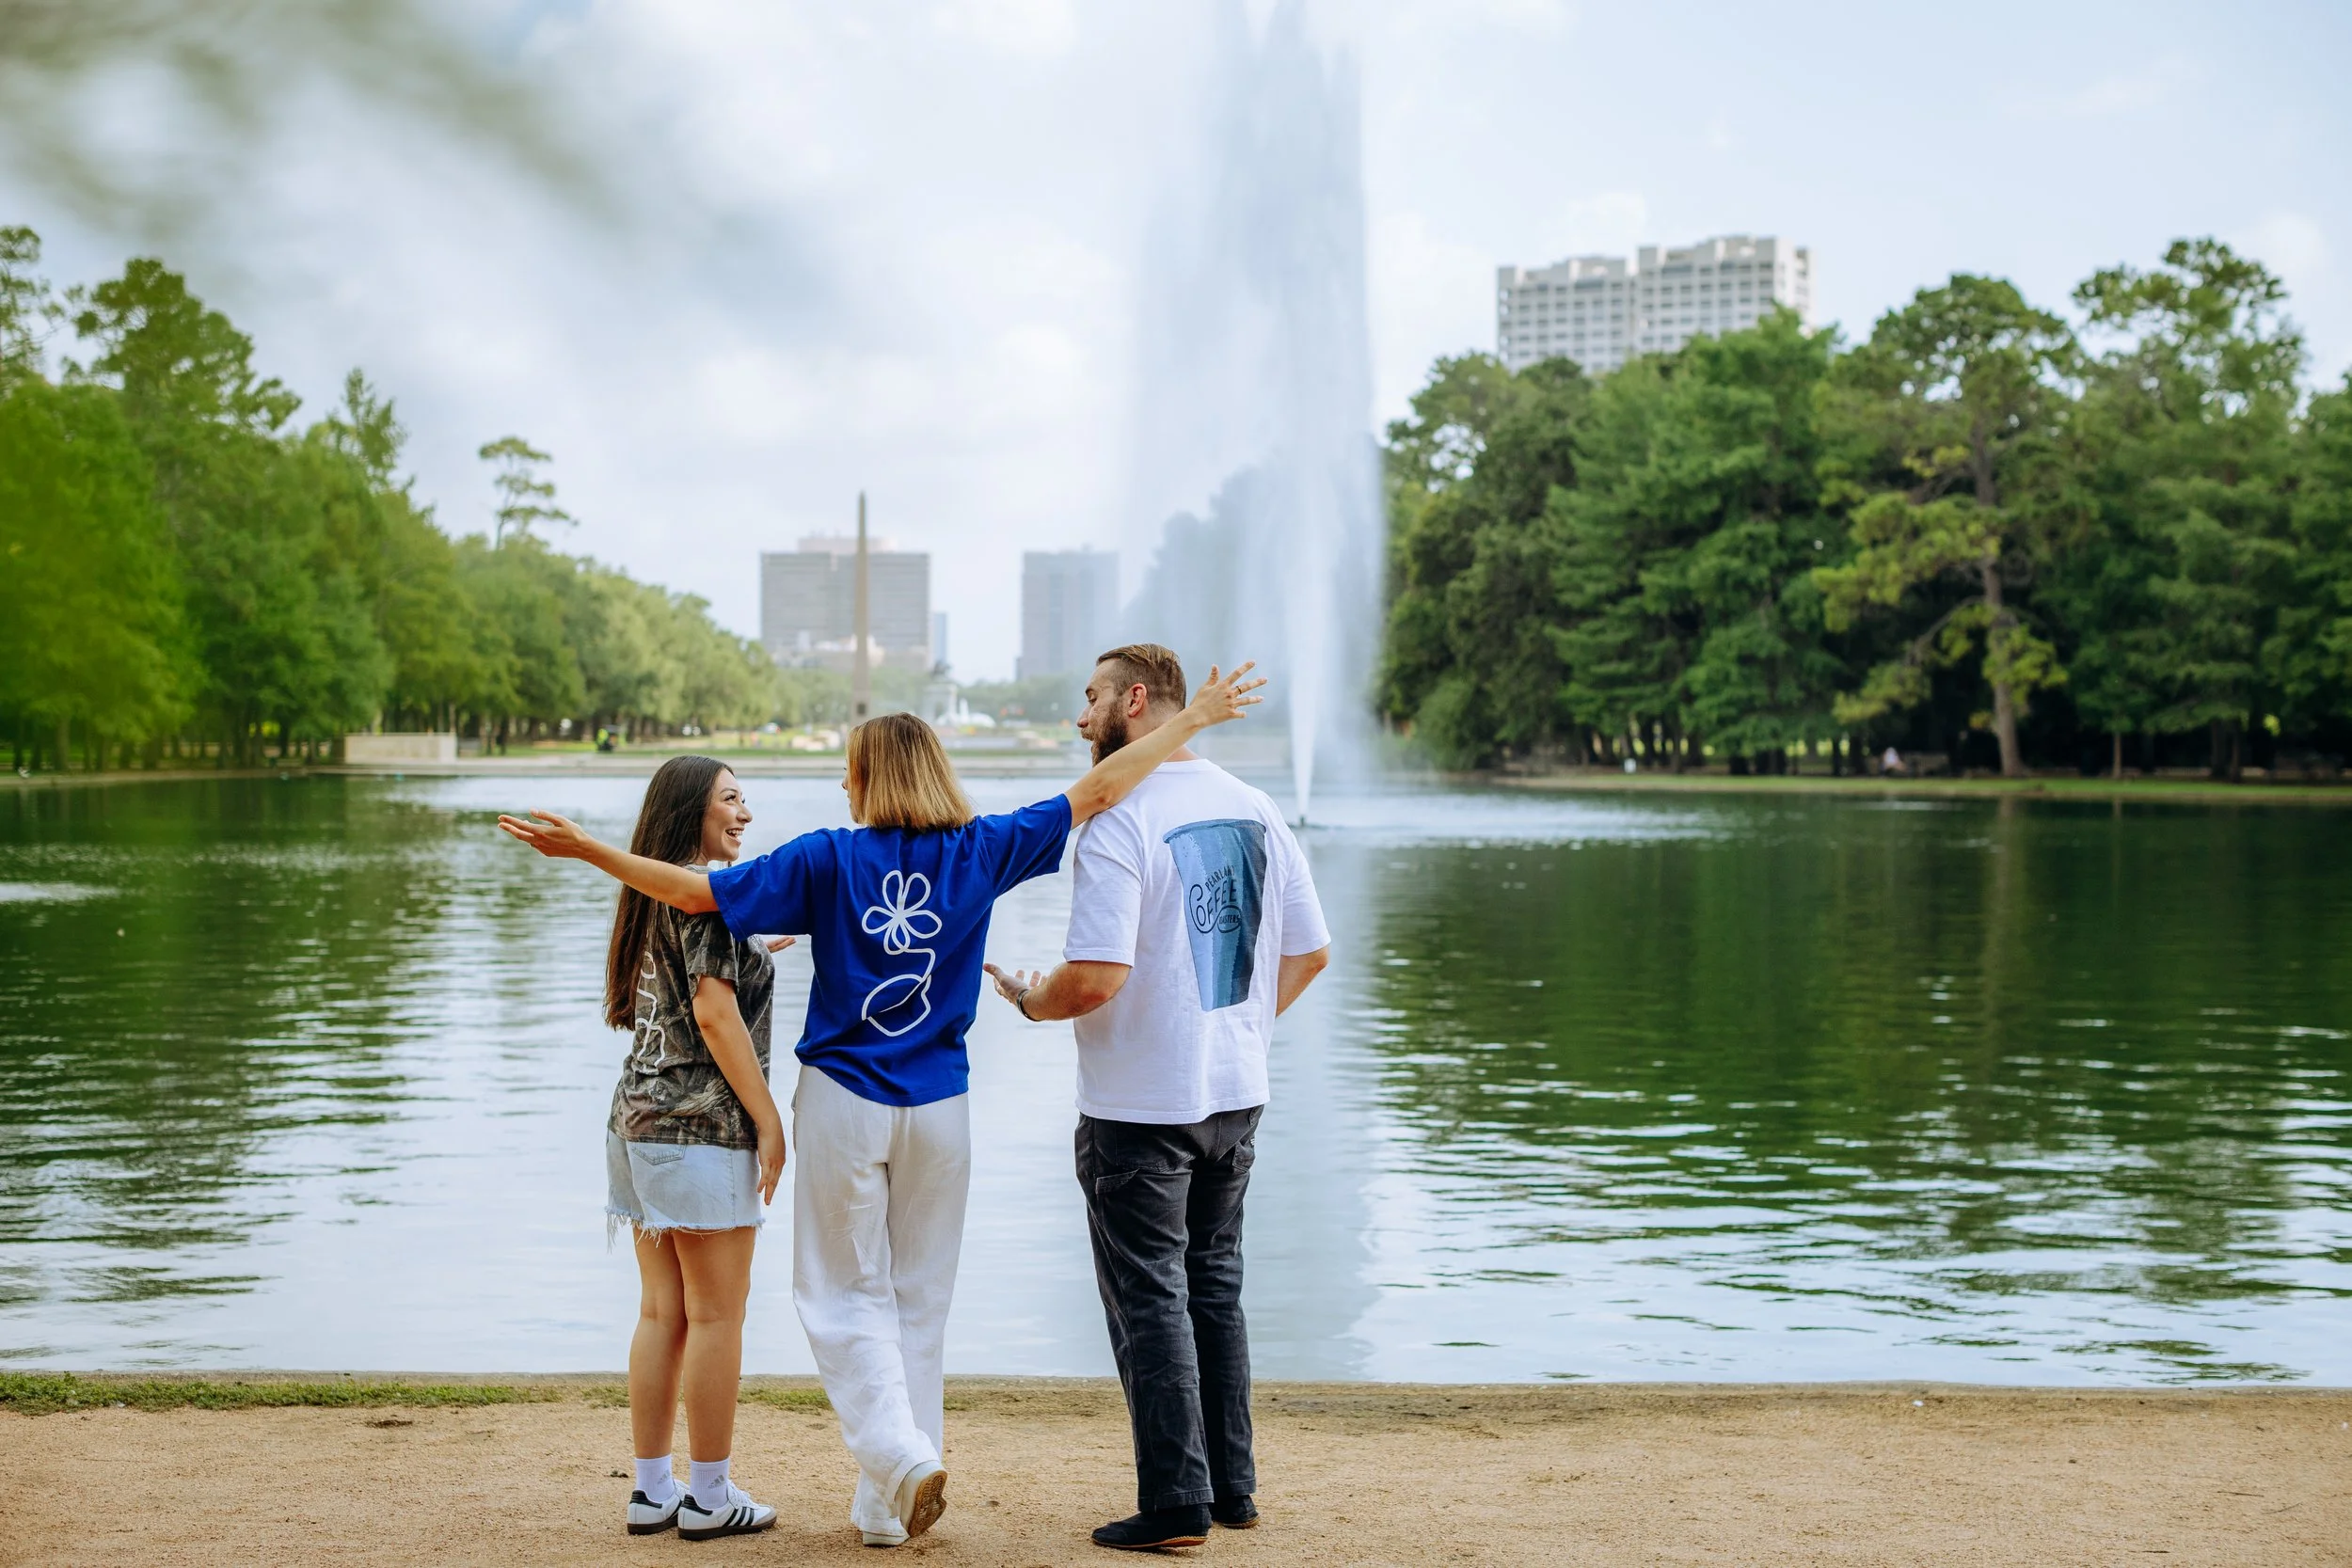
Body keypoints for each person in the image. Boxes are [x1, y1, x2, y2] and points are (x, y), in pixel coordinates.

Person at [497, 663, 1263, 1548]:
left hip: (844, 1099)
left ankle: (899, 1461)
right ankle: (884, 1507)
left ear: (869, 779)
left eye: (849, 771)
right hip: (942, 1104)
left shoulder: (828, 855)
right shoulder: (983, 845)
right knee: (919, 1300)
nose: (842, 786)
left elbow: (694, 892)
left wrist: (589, 850)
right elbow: (1101, 787)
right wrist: (1194, 719)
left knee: (835, 1294)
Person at [983, 643, 1331, 1552]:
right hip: (1235, 1097)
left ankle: (1176, 1503)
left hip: (1140, 1106)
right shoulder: (1257, 808)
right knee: (1214, 1287)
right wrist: (1241, 1029)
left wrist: (1029, 1000)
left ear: (1135, 703)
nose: (1080, 714)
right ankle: (1233, 1490)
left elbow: (1095, 978)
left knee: (1151, 1298)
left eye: (1091, 696)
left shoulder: (1118, 817)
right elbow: (1311, 952)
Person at [503, 756, 791, 1541]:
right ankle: (709, 1495)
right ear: (690, 811)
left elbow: (691, 982)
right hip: (700, 1132)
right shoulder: (709, 900)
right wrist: (769, 1120)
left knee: (662, 1310)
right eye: (731, 799)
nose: (745, 813)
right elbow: (715, 1015)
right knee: (717, 1315)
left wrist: (762, 951)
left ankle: (652, 1488)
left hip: (634, 1122)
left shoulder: (658, 893)